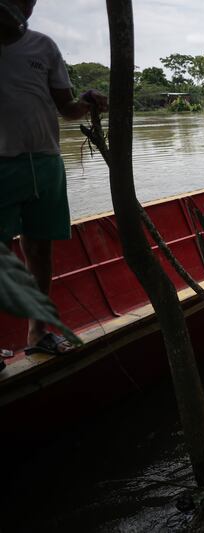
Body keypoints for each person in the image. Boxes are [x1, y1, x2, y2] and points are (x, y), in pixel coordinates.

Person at [0, 0, 107, 357]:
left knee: (39, 248)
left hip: (45, 162)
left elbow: (66, 109)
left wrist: (88, 102)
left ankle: (38, 334)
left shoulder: (43, 47)